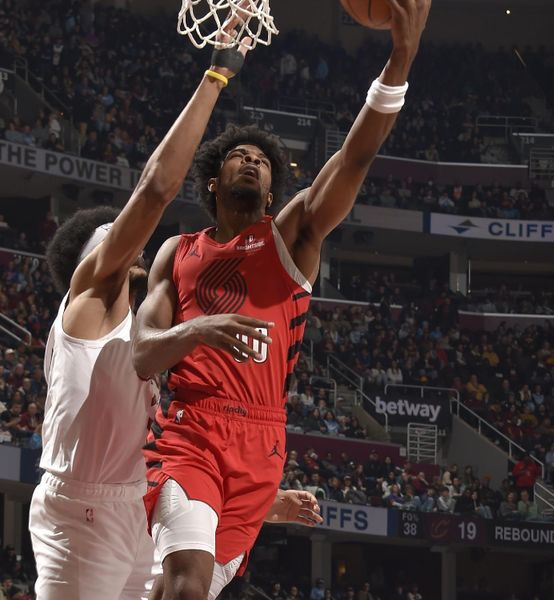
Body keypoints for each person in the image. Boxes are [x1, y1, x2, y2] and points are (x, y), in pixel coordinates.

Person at [133, 2, 431, 597]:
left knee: (171, 592)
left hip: (263, 448)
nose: (252, 160)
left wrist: (399, 62)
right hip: (191, 430)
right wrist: (196, 332)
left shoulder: (289, 237)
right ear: (214, 181)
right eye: (240, 156)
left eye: (264, 161)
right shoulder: (177, 251)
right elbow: (143, 352)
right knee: (187, 585)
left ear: (273, 192)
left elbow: (355, 158)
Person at [27, 16, 322, 600]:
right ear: (92, 257)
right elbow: (156, 190)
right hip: (81, 511)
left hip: (137, 501)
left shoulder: (154, 324)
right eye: (113, 234)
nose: (127, 236)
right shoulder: (89, 296)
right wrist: (216, 73)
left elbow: (180, 458)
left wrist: (262, 505)